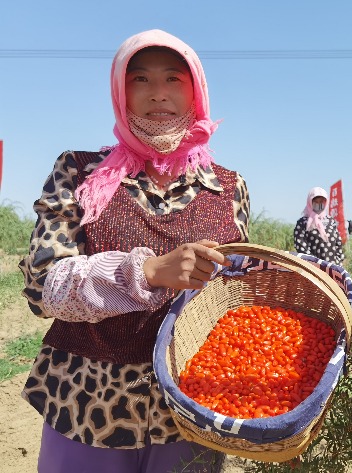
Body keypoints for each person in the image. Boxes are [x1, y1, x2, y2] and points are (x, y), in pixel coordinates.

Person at [18, 29, 250, 473]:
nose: (158, 94)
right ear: (121, 91)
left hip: (188, 415)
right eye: (140, 79)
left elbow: (235, 296)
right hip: (86, 406)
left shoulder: (229, 187)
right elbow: (41, 286)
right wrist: (146, 271)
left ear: (196, 91)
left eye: (174, 79)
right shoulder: (78, 171)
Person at [293, 186, 345, 265]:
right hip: (313, 268)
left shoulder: (330, 221)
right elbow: (300, 246)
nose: (319, 204)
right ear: (310, 202)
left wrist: (338, 262)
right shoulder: (303, 223)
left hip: (333, 268)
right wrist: (315, 264)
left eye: (321, 201)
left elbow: (338, 243)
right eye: (316, 201)